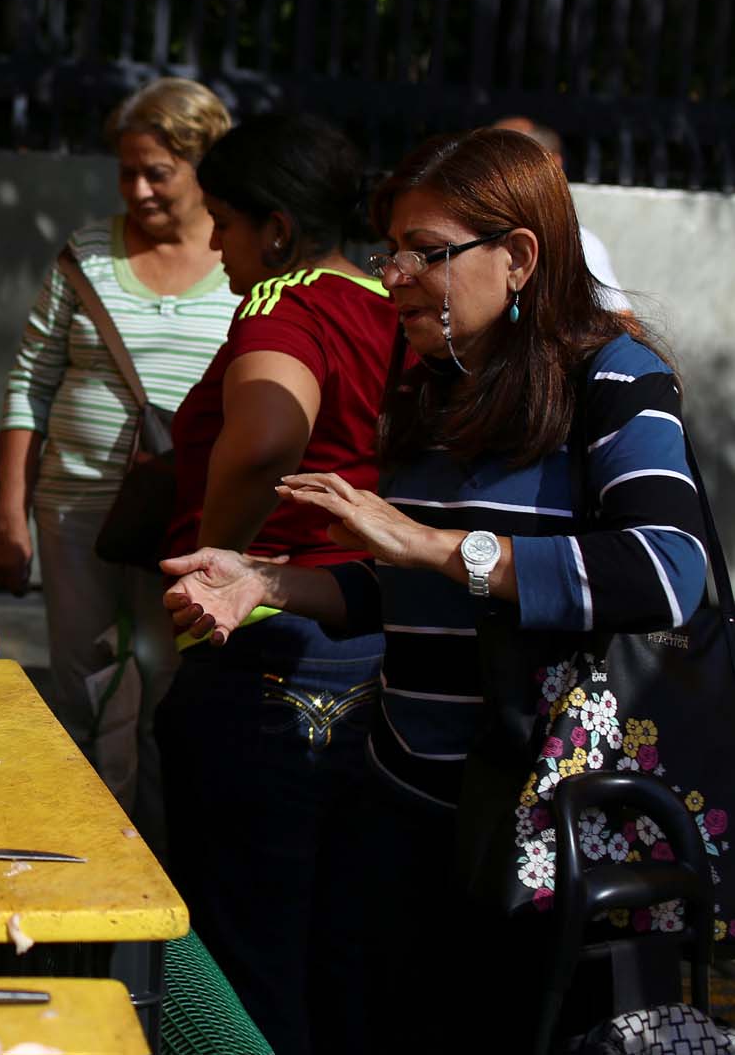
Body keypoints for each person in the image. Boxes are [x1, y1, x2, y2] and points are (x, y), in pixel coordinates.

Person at [162, 128, 706, 1048]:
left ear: (520, 256)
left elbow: (665, 570)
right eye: (391, 252)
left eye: (427, 252)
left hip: (538, 822)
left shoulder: (615, 377)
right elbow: (406, 588)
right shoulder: (425, 385)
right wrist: (267, 581)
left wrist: (438, 544)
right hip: (396, 799)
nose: (396, 276)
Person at [153, 113, 393, 1055]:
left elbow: (263, 438)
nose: (213, 243)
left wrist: (223, 563)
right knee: (334, 945)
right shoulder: (385, 300)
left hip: (271, 657)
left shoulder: (286, 301)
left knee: (241, 959)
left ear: (280, 228)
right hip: (369, 640)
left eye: (225, 219)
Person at [0, 77, 235, 832]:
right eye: (126, 170)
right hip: (77, 514)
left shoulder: (242, 261)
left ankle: (157, 853)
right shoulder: (85, 254)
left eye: (158, 171)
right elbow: (30, 380)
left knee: (170, 689)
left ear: (204, 166)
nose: (138, 188)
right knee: (86, 684)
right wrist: (9, 514)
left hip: (189, 521)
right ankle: (89, 837)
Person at [492, 116, 630, 311]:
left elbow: (623, 321)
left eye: (509, 161)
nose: (495, 174)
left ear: (552, 164)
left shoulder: (577, 243)